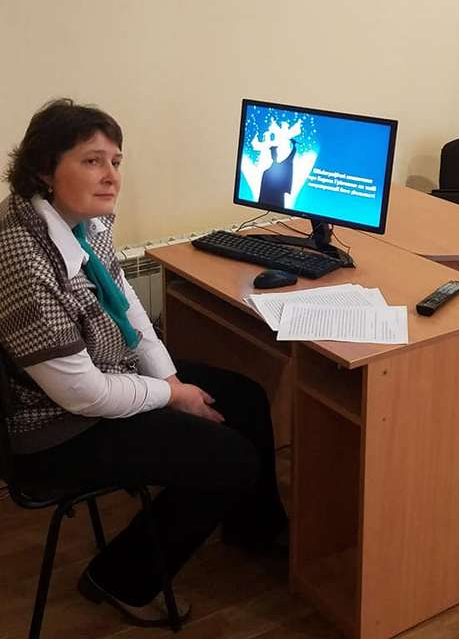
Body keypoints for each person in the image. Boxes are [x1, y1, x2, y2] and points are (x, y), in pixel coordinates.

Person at [0, 98, 287, 627]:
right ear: (43, 169)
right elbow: (83, 394)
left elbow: (125, 299)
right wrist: (173, 395)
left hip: (104, 377)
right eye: (92, 161)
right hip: (56, 431)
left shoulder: (79, 219)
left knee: (243, 397)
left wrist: (170, 379)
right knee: (232, 460)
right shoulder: (25, 257)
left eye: (115, 161)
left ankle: (255, 530)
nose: (111, 176)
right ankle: (120, 578)